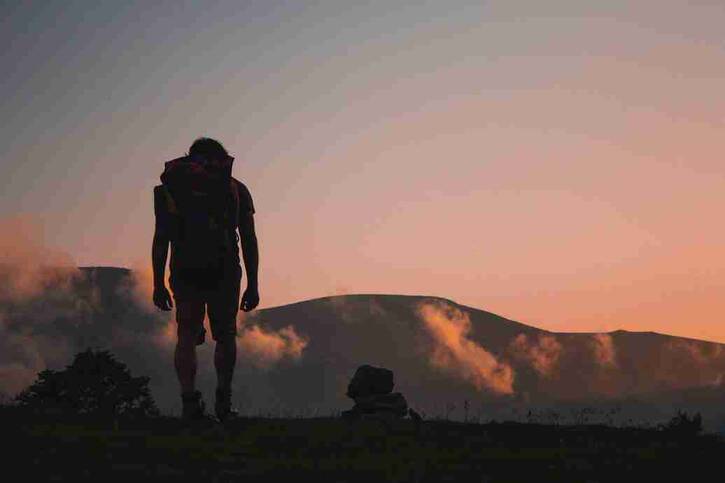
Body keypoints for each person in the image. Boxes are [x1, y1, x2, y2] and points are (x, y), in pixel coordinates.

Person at [151, 137, 259, 422]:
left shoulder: (170, 190)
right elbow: (249, 239)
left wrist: (158, 283)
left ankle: (189, 402)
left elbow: (161, 239)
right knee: (225, 335)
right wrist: (253, 283)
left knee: (186, 336)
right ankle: (223, 403)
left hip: (184, 269)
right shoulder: (236, 189)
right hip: (225, 270)